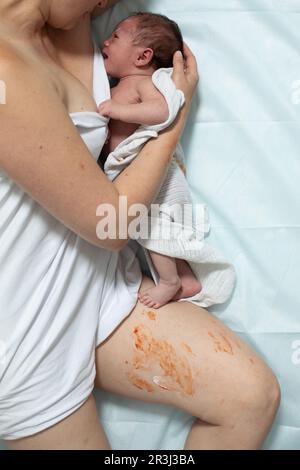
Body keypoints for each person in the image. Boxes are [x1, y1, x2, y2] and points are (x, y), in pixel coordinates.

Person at [0, 0, 280, 450]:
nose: (106, 6)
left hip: (99, 289)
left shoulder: (65, 26)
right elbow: (109, 227)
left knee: (251, 400)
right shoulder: (6, 70)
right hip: (27, 327)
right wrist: (174, 118)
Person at [98, 12, 202, 309]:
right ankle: (186, 278)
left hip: (156, 174)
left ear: (143, 57)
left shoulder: (145, 83)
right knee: (158, 230)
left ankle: (170, 282)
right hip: (132, 175)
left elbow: (162, 112)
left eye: (115, 36)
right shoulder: (118, 84)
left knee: (152, 229)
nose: (105, 40)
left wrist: (119, 111)